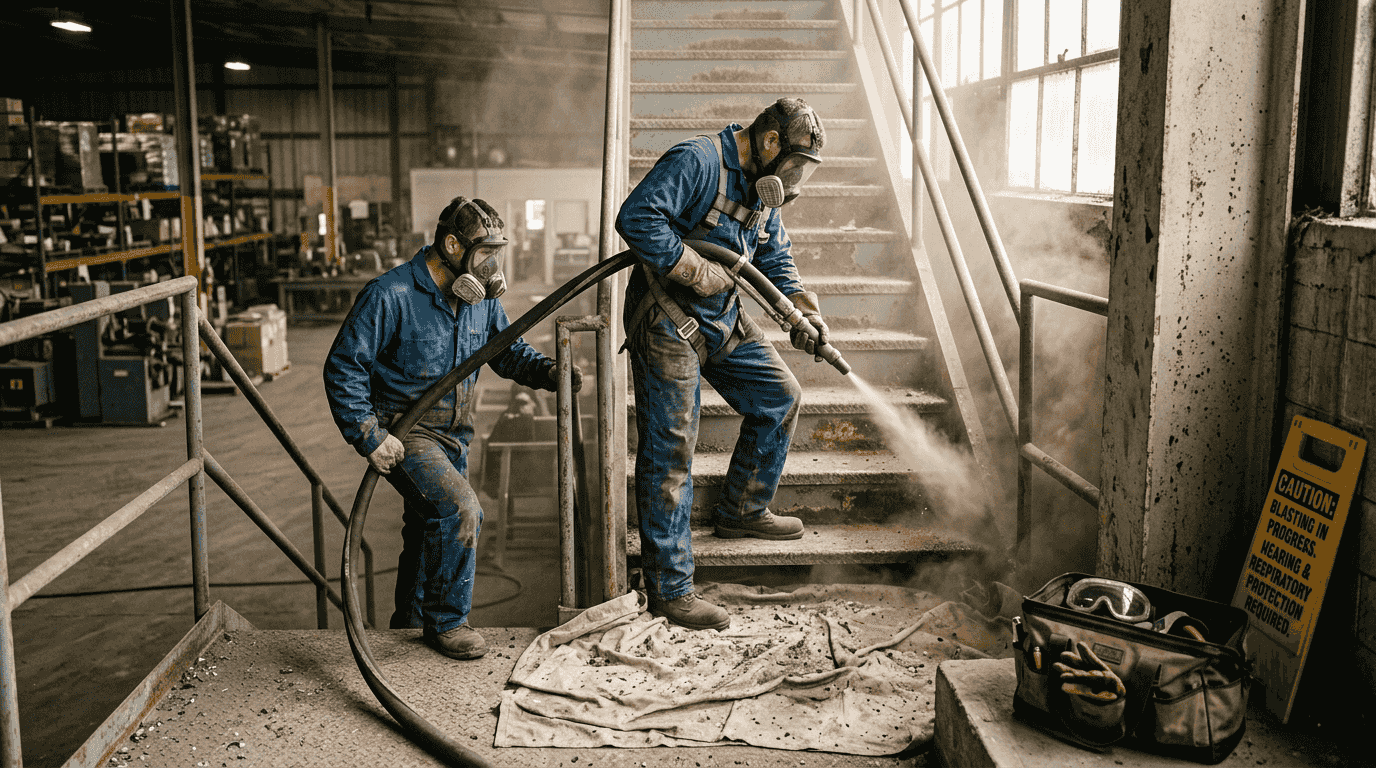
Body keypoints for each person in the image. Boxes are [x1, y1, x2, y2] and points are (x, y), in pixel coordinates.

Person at [324, 196, 580, 660]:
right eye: (486, 253)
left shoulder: (479, 302)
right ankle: (448, 623)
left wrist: (549, 373)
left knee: (427, 531)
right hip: (407, 433)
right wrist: (369, 435)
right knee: (462, 510)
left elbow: (504, 351)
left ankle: (410, 624)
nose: (494, 264)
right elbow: (345, 365)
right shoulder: (392, 294)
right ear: (451, 245)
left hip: (455, 436)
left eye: (497, 252)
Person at [616, 97, 830, 631]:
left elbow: (773, 252)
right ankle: (670, 589)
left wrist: (802, 309)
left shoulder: (764, 187)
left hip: (724, 316)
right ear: (771, 142)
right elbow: (635, 217)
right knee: (671, 449)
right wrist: (691, 268)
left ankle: (741, 510)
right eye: (796, 163)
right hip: (669, 320)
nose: (797, 179)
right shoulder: (697, 161)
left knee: (780, 397)